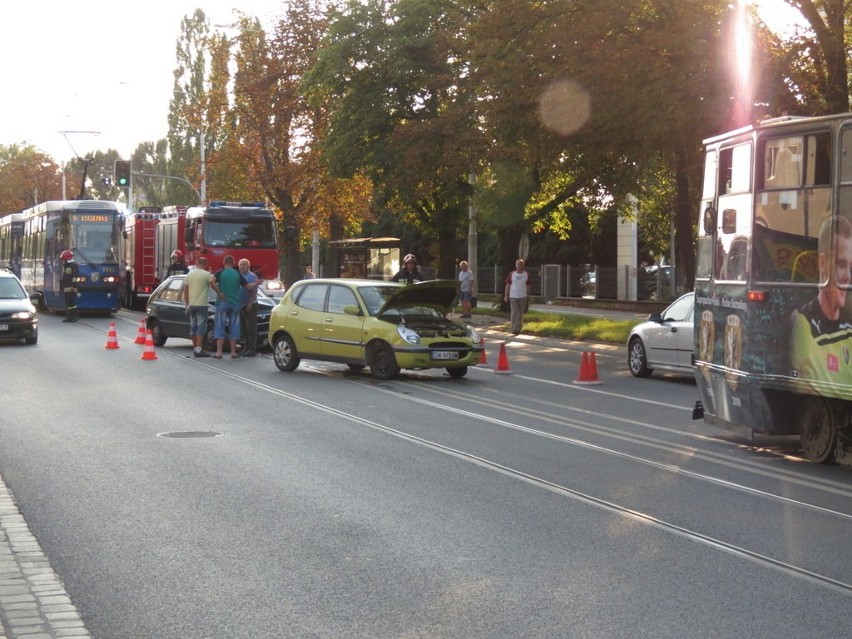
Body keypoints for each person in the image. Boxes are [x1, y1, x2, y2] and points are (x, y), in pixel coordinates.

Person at [790, 216, 852, 384]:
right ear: (823, 264)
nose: (848, 277)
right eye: (841, 265)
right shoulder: (804, 325)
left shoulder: (849, 326)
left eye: (851, 268)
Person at [182, 256, 220, 358]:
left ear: (197, 263)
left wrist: (187, 304)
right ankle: (199, 350)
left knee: (193, 327)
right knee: (201, 327)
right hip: (201, 305)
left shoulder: (189, 275)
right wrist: (219, 294)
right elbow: (213, 284)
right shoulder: (207, 274)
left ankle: (195, 348)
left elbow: (185, 290)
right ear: (205, 264)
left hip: (192, 305)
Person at [213, 255, 249, 359]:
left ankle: (219, 352)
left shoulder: (220, 272)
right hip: (235, 304)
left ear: (224, 262)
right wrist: (256, 283)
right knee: (234, 326)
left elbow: (211, 281)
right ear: (233, 263)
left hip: (223, 302)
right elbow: (248, 286)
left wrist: (219, 292)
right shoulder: (238, 274)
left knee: (220, 326)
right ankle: (233, 352)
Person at [238, 258, 260, 357]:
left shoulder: (252, 276)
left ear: (248, 266)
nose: (242, 266)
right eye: (241, 265)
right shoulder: (238, 275)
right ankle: (245, 347)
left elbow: (254, 291)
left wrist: (250, 303)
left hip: (250, 305)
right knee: (243, 328)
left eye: (244, 264)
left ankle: (252, 349)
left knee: (251, 328)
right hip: (240, 305)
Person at [504, 258, 531, 335]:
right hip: (513, 296)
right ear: (516, 265)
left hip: (523, 296)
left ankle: (518, 328)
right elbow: (508, 285)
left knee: (520, 313)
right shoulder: (512, 274)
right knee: (514, 312)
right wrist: (506, 295)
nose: (519, 266)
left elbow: (528, 285)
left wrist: (527, 294)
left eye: (521, 264)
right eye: (518, 264)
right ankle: (514, 328)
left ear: (523, 265)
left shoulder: (526, 275)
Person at [59, 250, 79, 323]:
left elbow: (74, 277)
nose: (62, 262)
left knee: (71, 302)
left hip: (71, 288)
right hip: (67, 287)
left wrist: (73, 286)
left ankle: (75, 315)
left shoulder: (73, 266)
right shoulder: (68, 266)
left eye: (63, 260)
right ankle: (70, 317)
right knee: (68, 302)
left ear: (67, 259)